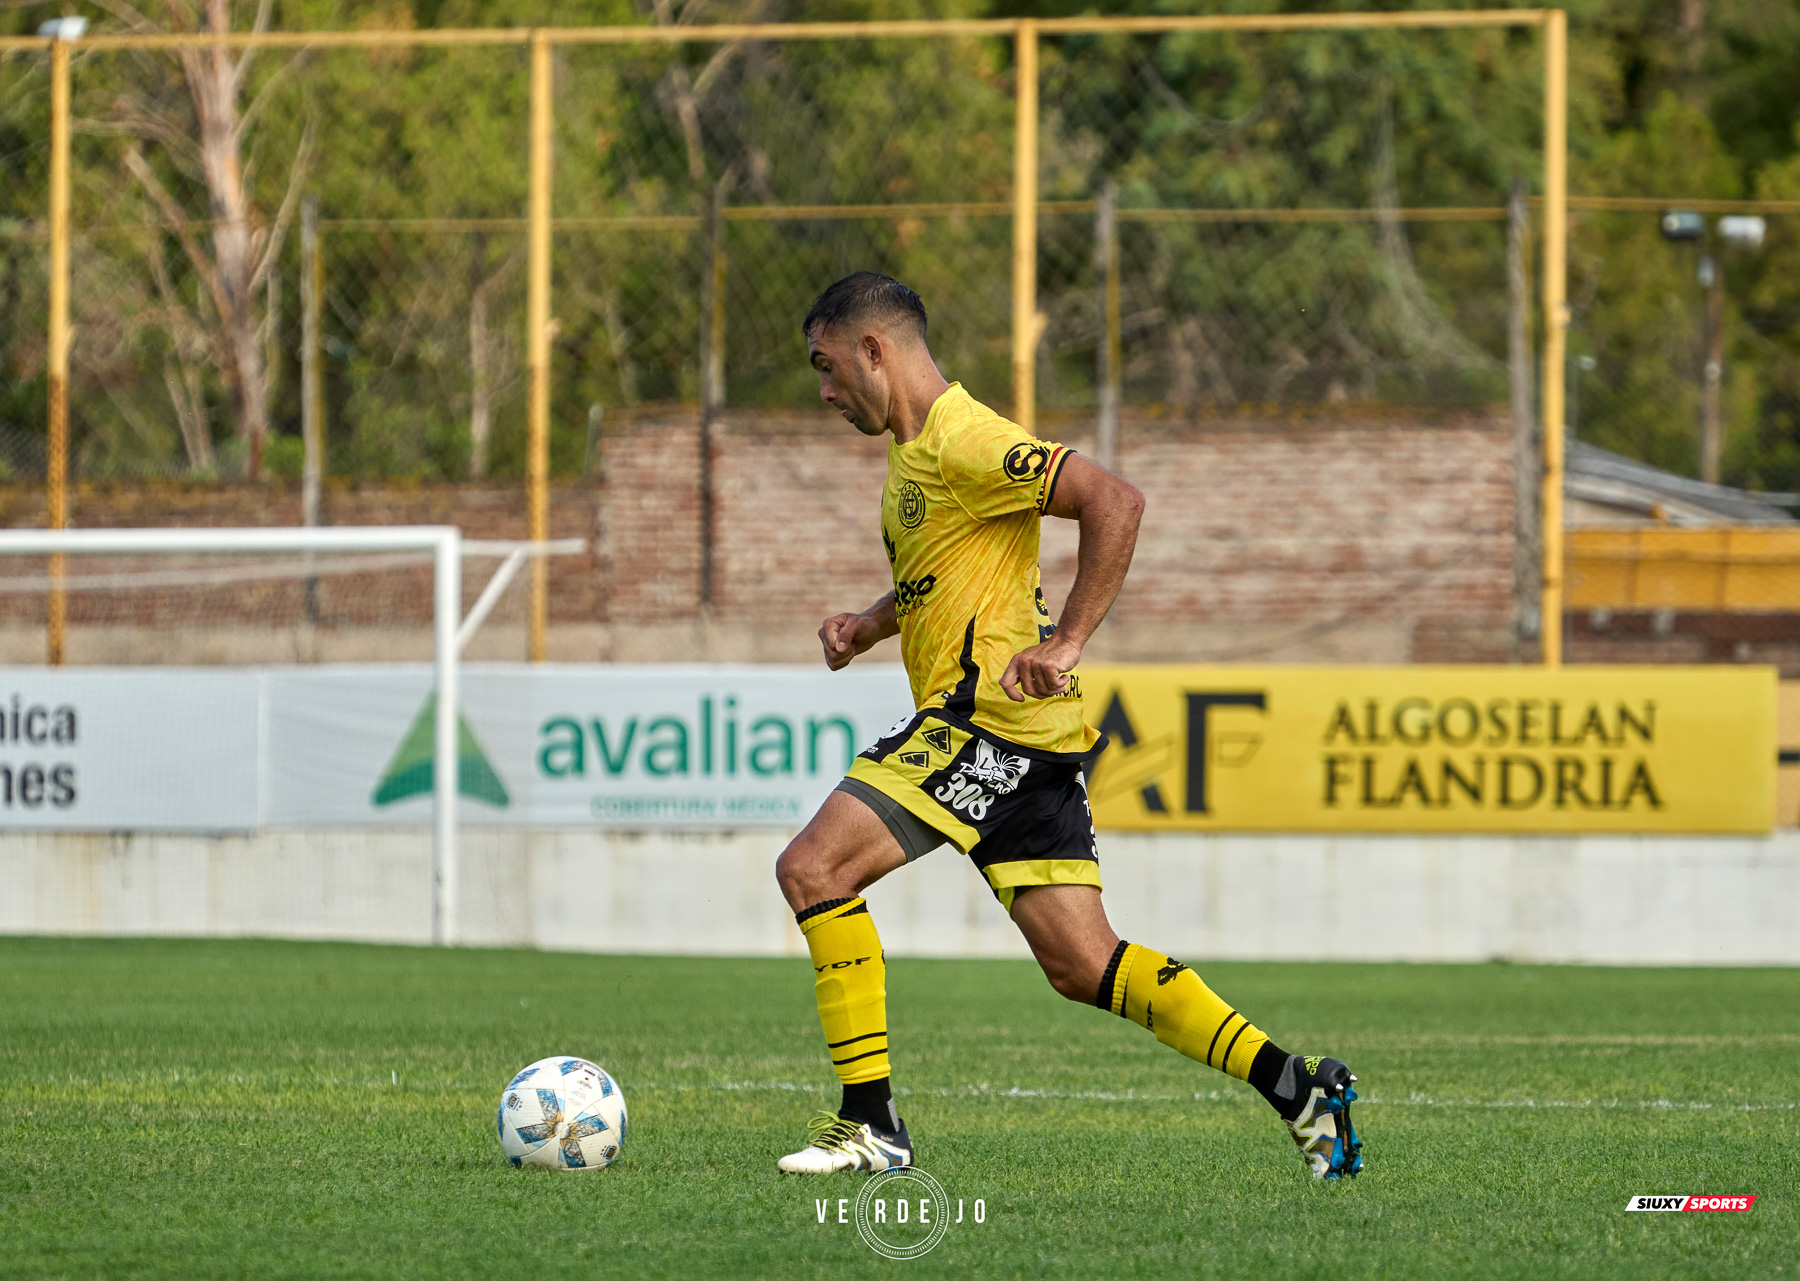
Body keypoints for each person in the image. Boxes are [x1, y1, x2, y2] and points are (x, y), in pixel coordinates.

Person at [773, 271, 1363, 1180]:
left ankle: (870, 1124)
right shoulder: (916, 457)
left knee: (813, 867)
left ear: (874, 350)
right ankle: (1297, 1085)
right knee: (1085, 965)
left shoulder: (964, 437)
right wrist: (870, 622)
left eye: (825, 365)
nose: (822, 390)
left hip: (989, 718)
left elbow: (1113, 500)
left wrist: (1073, 636)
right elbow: (948, 571)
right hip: (1026, 734)